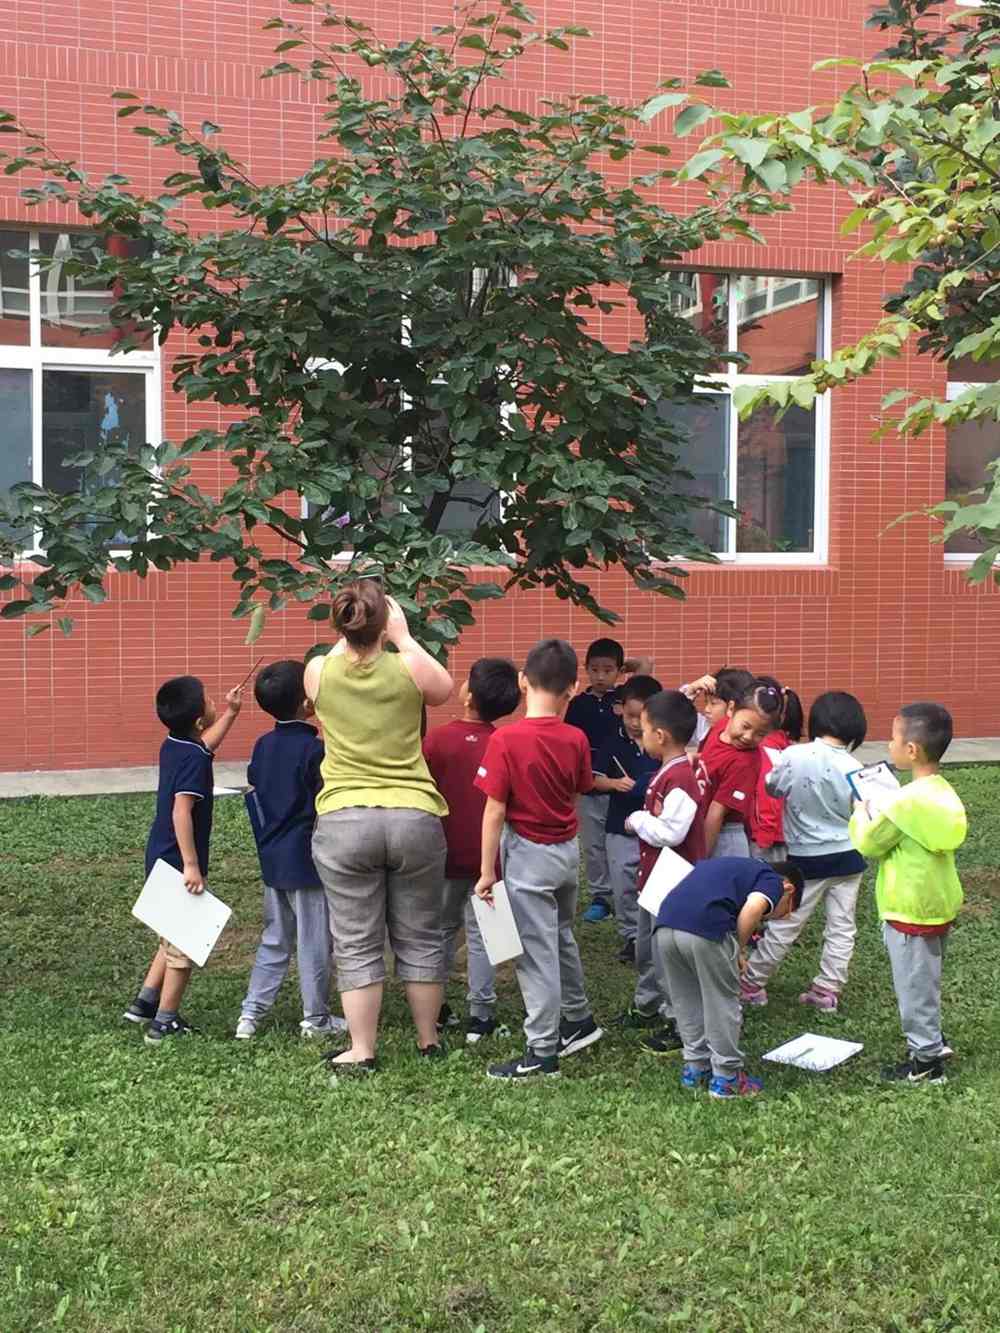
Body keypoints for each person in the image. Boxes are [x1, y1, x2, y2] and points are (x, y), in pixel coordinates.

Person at [305, 581, 453, 1076]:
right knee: (422, 932)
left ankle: (362, 1049)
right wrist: (403, 636)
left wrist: (352, 629)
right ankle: (429, 1039)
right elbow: (443, 688)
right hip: (414, 813)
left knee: (355, 940)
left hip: (344, 817)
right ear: (385, 620)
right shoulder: (410, 667)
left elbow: (332, 662)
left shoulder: (318, 671)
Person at [474, 638, 603, 1080]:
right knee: (561, 936)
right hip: (567, 852)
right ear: (573, 686)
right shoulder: (576, 738)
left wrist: (487, 871)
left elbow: (494, 810)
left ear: (522, 681)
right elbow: (581, 788)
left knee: (534, 954)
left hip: (528, 856)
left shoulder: (506, 739)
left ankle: (542, 1050)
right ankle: (578, 1018)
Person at [850, 702, 966, 1085]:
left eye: (893, 738)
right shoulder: (943, 793)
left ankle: (926, 1061)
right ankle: (934, 1039)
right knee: (926, 977)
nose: (889, 745)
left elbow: (869, 843)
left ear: (912, 749)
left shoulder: (902, 803)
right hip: (938, 902)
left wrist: (860, 811)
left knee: (913, 986)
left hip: (907, 907)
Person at [123, 674, 243, 1044]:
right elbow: (181, 812)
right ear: (199, 720)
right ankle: (165, 1022)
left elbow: (204, 747)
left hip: (159, 852)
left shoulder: (175, 745)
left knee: (170, 930)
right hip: (177, 861)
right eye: (210, 700)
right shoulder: (193, 758)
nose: (214, 702)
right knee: (183, 942)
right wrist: (191, 865)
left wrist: (231, 713)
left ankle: (144, 1003)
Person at [236, 660, 347, 1041]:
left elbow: (256, 782)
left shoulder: (262, 745)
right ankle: (316, 1018)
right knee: (314, 940)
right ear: (307, 703)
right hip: (306, 860)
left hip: (272, 857)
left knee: (275, 937)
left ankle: (250, 1014)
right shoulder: (315, 751)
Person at [741, 690, 868, 1012]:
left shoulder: (794, 756)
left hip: (806, 860)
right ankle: (827, 989)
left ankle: (751, 983)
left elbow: (772, 787)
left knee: (785, 922)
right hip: (849, 856)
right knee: (842, 927)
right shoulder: (855, 766)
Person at [422, 656, 521, 1042]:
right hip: (490, 859)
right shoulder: (504, 743)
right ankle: (482, 1014)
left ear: (468, 696)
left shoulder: (437, 740)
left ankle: (435, 1007)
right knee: (486, 936)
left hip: (444, 854)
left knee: (442, 931)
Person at [654, 857, 804, 1098]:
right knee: (722, 1001)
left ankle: (696, 1069)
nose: (781, 918)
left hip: (665, 924)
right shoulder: (772, 880)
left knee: (686, 1000)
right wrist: (737, 950)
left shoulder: (731, 867)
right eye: (787, 910)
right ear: (788, 889)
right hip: (706, 927)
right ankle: (727, 1078)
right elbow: (753, 909)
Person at [618, 689, 707, 1057]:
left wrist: (638, 820)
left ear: (660, 736)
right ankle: (650, 1005)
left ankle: (680, 1022)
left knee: (669, 954)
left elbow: (672, 832)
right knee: (648, 947)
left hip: (674, 880)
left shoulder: (681, 777)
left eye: (644, 730)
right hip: (657, 878)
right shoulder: (670, 772)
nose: (640, 736)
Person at [592, 674, 663, 964]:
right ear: (621, 709)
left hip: (656, 828)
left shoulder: (661, 742)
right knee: (624, 883)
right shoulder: (613, 742)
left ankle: (653, 933)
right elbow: (593, 780)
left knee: (654, 881)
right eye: (630, 716)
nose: (634, 723)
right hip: (620, 827)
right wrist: (613, 783)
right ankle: (632, 936)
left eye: (641, 717)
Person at [566, 637, 626, 923]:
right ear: (586, 669)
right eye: (595, 670)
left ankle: (626, 891)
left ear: (620, 671)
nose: (601, 676)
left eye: (608, 670)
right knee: (593, 844)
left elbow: (646, 671)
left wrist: (630, 669)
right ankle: (601, 896)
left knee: (620, 841)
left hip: (622, 785)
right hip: (589, 785)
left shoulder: (624, 699)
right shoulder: (578, 704)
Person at [700, 680, 783, 857]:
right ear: (731, 709)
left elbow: (717, 812)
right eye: (745, 727)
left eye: (760, 734)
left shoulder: (745, 762)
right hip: (703, 824)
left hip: (721, 837)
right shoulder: (719, 727)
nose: (748, 737)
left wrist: (700, 859)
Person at [749, 676, 805, 863]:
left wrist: (765, 834)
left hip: (766, 839)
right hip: (786, 833)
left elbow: (767, 795)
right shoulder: (786, 747)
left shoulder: (764, 748)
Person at [681, 667, 754, 749]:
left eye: (713, 703)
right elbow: (673, 723)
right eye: (706, 702)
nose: (706, 709)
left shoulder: (750, 740)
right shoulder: (706, 729)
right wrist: (689, 693)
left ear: (732, 707)